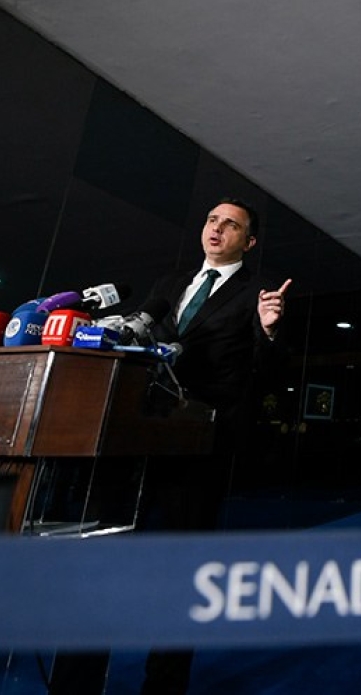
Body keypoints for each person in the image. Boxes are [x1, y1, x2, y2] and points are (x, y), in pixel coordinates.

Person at [49, 198, 291, 695]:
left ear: (249, 242)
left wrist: (268, 332)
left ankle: (163, 685)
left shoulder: (256, 295)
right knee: (103, 559)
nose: (216, 229)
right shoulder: (168, 285)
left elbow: (263, 377)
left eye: (231, 225)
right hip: (132, 437)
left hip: (197, 447)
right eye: (211, 220)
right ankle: (75, 682)